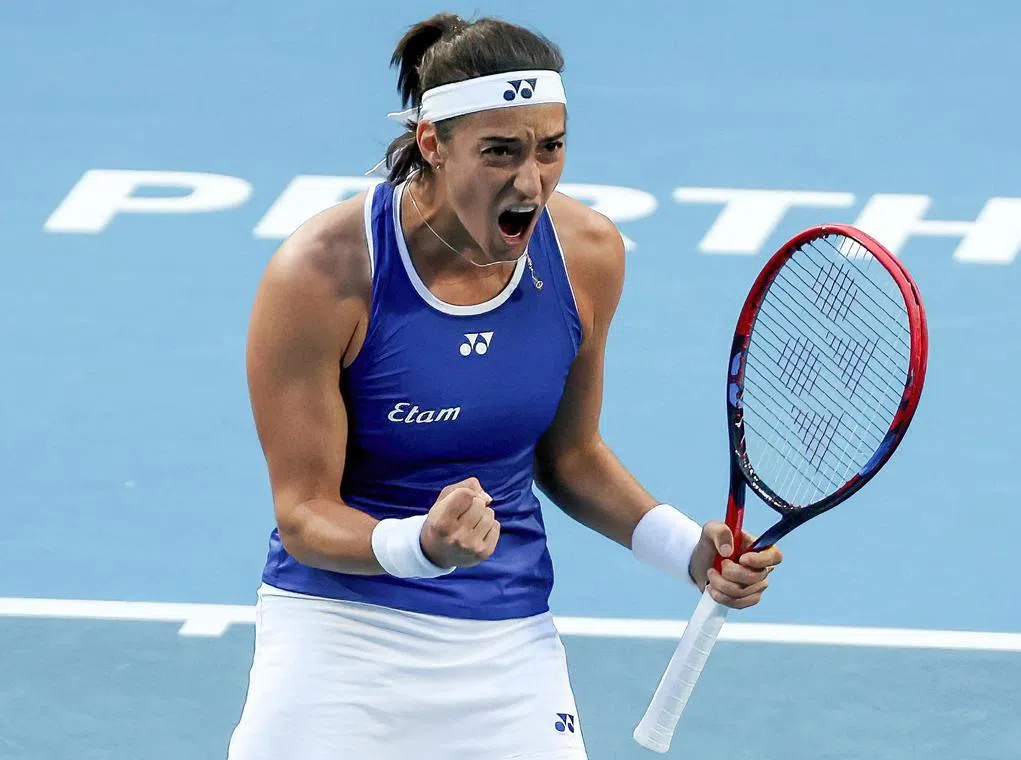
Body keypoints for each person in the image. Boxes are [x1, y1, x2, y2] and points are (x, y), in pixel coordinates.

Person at [227, 12, 782, 760]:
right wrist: (420, 545)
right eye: (500, 152)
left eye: (551, 148)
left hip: (505, 638)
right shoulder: (323, 274)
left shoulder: (586, 254)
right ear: (433, 143)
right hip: (337, 632)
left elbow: (571, 456)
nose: (532, 180)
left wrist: (687, 550)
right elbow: (303, 515)